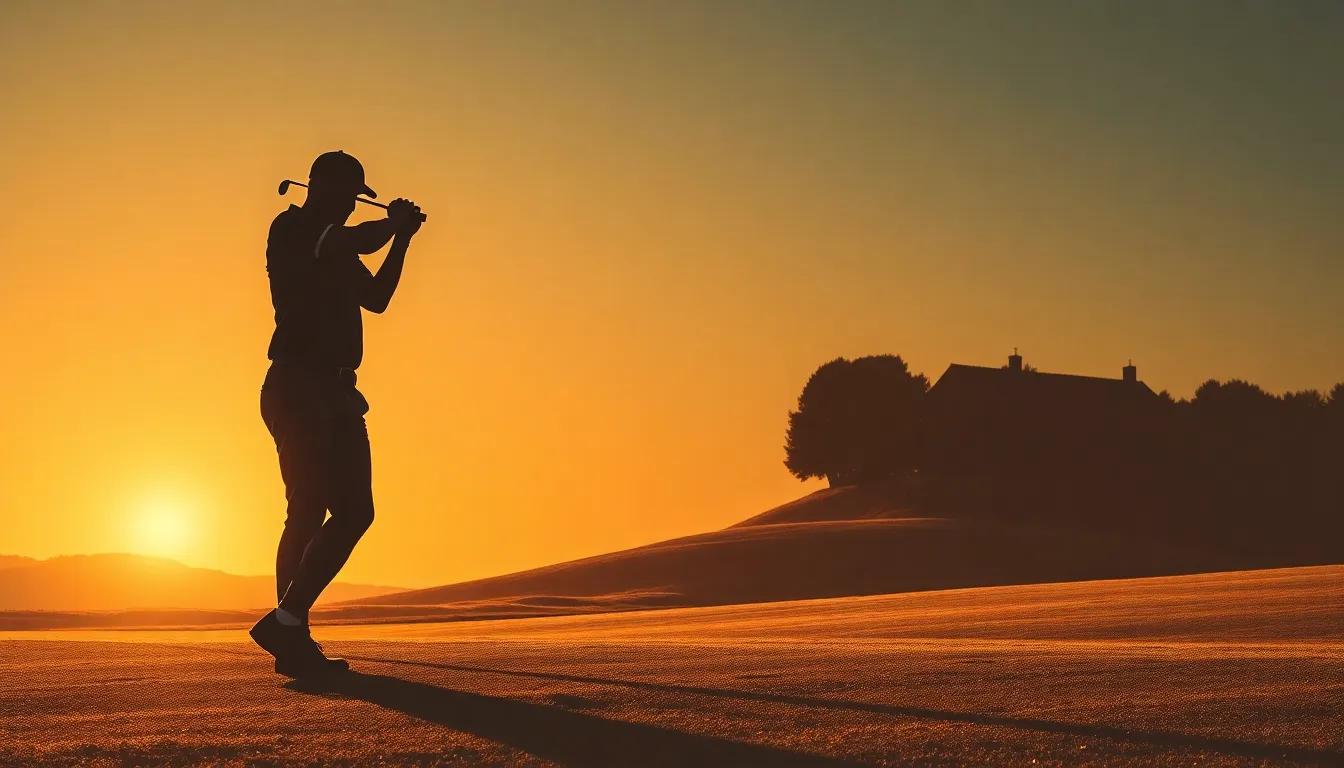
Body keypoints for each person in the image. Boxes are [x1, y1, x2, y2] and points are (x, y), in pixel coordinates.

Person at [249, 150, 423, 677]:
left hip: (337, 391)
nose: (352, 205)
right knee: (306, 510)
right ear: (322, 189)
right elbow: (361, 239)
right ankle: (292, 638)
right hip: (298, 385)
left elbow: (377, 298)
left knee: (354, 512)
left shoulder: (339, 246)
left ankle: (287, 623)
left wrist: (403, 241)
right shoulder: (295, 228)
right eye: (349, 195)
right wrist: (393, 226)